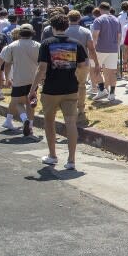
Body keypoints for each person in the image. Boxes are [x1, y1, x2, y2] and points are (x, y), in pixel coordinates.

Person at [28, 13, 87, 170]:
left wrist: (32, 89)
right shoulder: (76, 44)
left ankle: (53, 155)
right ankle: (71, 160)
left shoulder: (47, 43)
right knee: (71, 122)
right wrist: (79, 81)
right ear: (66, 26)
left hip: (51, 89)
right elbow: (83, 66)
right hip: (71, 88)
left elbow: (41, 68)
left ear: (52, 27)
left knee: (49, 121)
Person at [0, 24, 39, 135]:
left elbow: (5, 64)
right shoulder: (38, 45)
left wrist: (6, 78)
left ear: (20, 34)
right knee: (30, 102)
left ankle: (24, 120)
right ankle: (31, 126)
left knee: (17, 102)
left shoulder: (12, 46)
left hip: (18, 79)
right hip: (33, 79)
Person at [66, 10, 99, 122]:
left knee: (70, 86)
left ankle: (71, 108)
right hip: (83, 62)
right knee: (82, 85)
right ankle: (80, 108)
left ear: (68, 19)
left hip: (67, 62)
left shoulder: (64, 31)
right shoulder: (85, 31)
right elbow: (91, 48)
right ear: (79, 18)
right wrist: (96, 62)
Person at [91, 2, 121, 102]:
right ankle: (112, 93)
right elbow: (119, 36)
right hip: (113, 49)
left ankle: (101, 89)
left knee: (94, 68)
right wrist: (116, 48)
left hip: (100, 48)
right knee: (112, 72)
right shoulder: (116, 19)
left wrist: (92, 49)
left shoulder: (98, 20)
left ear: (100, 9)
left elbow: (95, 36)